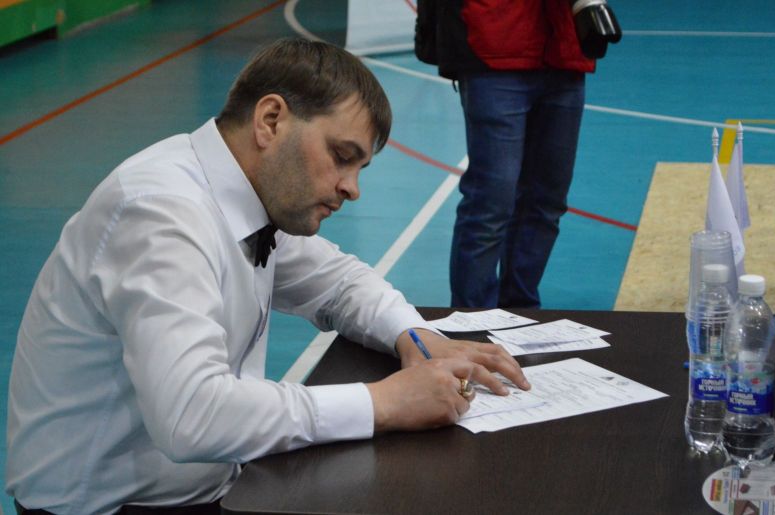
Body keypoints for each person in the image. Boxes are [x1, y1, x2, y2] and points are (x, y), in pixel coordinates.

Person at [6, 38, 530, 515]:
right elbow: (192, 416)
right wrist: (387, 401)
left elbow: (339, 282)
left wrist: (414, 336)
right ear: (271, 120)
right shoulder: (161, 213)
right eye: (342, 156)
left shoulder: (248, 194)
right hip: (106, 507)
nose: (352, 188)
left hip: (200, 487)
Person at [415, 0, 596, 308]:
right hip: (494, 47)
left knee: (547, 201)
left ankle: (521, 312)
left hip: (564, 51)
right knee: (491, 201)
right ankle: (473, 320)